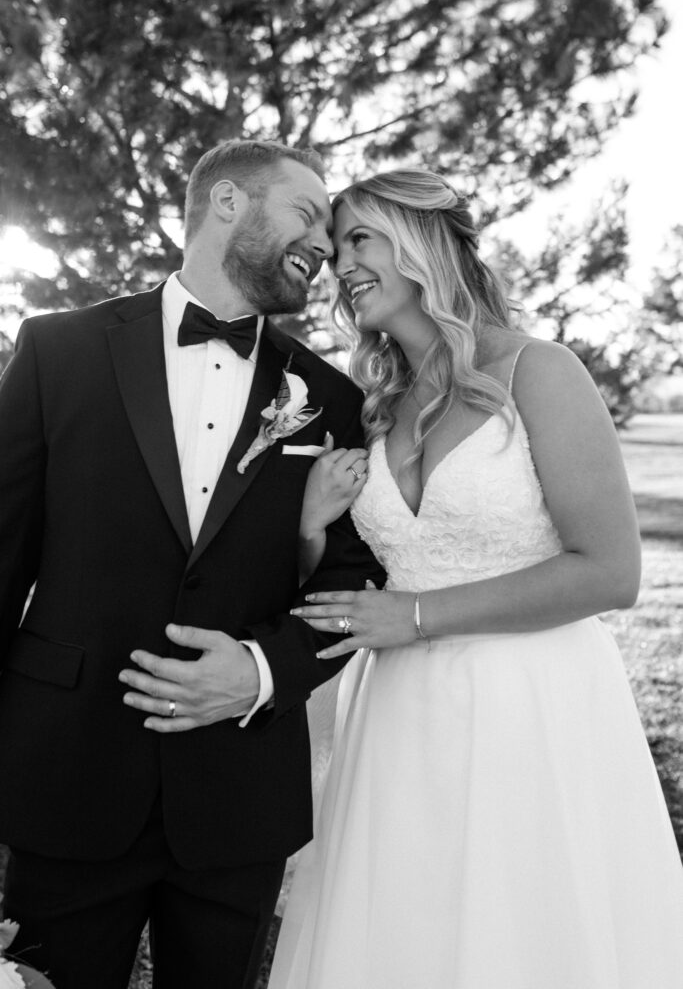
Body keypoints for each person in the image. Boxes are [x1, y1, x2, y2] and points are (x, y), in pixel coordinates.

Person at [268, 168, 683, 988]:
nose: (336, 262)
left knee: (520, 929)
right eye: (332, 245)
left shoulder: (538, 370)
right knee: (401, 932)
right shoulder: (374, 405)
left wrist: (417, 614)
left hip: (528, 707)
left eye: (359, 238)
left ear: (424, 243)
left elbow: (609, 570)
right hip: (394, 717)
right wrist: (310, 529)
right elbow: (348, 581)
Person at [0, 138, 383, 989]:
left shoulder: (332, 399)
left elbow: (350, 577)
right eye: (308, 214)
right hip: (67, 773)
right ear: (227, 205)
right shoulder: (57, 350)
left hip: (237, 793)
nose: (325, 244)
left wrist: (258, 673)